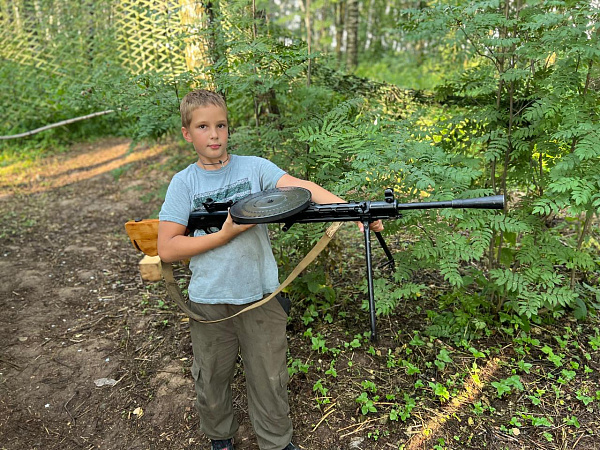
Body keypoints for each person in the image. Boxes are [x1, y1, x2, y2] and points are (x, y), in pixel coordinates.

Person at [157, 89, 382, 450]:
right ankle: (220, 436)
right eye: (203, 127)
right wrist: (223, 234)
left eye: (221, 125)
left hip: (260, 295)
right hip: (209, 300)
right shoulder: (184, 183)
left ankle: (276, 442)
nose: (214, 135)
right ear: (187, 133)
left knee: (270, 376)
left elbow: (302, 188)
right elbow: (167, 247)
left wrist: (355, 211)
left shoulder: (254, 168)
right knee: (210, 377)